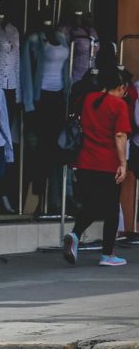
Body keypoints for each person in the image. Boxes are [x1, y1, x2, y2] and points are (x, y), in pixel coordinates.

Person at [63, 66, 131, 266]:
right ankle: (107, 254)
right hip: (107, 164)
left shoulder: (87, 99)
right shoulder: (118, 105)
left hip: (85, 162)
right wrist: (123, 164)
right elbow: (120, 136)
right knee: (110, 210)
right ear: (119, 86)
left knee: (92, 204)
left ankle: (75, 235)